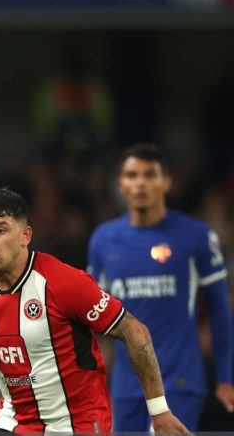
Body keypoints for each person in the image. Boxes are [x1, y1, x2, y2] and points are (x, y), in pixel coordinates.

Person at [0, 187, 189, 435]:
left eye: (0, 230)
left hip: (78, 423)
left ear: (25, 235)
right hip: (13, 422)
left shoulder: (64, 283)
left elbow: (135, 332)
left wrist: (159, 411)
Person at [87, 143, 234, 431]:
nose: (140, 183)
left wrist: (226, 378)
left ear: (166, 182)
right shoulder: (103, 240)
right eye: (132, 175)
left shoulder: (196, 237)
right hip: (126, 385)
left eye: (149, 174)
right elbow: (93, 315)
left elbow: (219, 309)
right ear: (120, 184)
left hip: (178, 381)